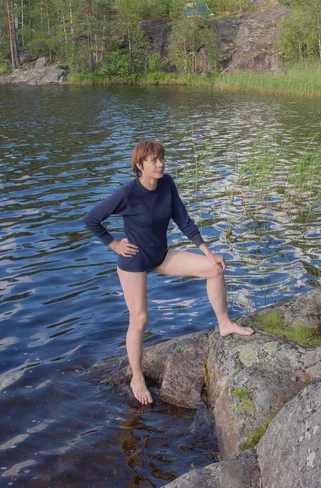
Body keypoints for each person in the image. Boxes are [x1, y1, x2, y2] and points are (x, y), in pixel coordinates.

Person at [84, 139, 254, 405]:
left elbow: (183, 219)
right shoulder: (126, 193)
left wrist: (208, 252)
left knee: (214, 269)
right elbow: (91, 219)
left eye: (162, 158)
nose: (160, 164)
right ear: (140, 165)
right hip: (134, 261)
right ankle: (137, 377)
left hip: (161, 255)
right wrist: (116, 245)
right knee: (139, 320)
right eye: (154, 160)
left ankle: (224, 324)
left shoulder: (167, 184)